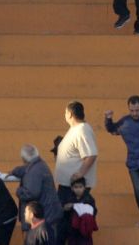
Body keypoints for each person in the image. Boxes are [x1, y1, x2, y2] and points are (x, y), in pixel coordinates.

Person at [54, 101, 98, 245]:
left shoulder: (82, 129)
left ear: (70, 114)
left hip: (73, 187)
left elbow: (91, 155)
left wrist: (80, 173)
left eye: (66, 112)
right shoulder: (75, 129)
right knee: (63, 224)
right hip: (67, 185)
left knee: (70, 225)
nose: (65, 115)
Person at [10, 144, 62, 242]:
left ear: (23, 159)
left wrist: (18, 191)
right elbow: (25, 169)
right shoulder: (39, 165)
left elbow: (31, 193)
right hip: (49, 215)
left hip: (43, 218)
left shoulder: (34, 171)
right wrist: (14, 171)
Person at [58, 177, 97, 245]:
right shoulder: (69, 198)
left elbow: (93, 211)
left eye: (80, 187)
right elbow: (63, 212)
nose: (78, 189)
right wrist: (65, 208)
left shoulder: (88, 198)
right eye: (76, 187)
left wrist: (77, 207)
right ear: (72, 188)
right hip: (72, 230)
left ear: (84, 188)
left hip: (85, 230)